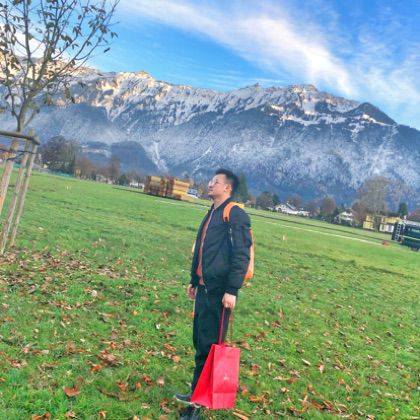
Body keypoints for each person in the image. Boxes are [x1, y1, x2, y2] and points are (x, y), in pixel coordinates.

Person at [175, 169, 252, 419]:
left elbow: (241, 255)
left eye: (215, 182)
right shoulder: (212, 213)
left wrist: (231, 290)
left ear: (227, 188)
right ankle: (196, 392)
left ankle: (196, 405)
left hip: (219, 293)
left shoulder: (235, 215)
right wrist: (193, 280)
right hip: (204, 289)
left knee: (209, 349)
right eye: (210, 181)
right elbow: (201, 250)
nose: (210, 184)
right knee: (200, 344)